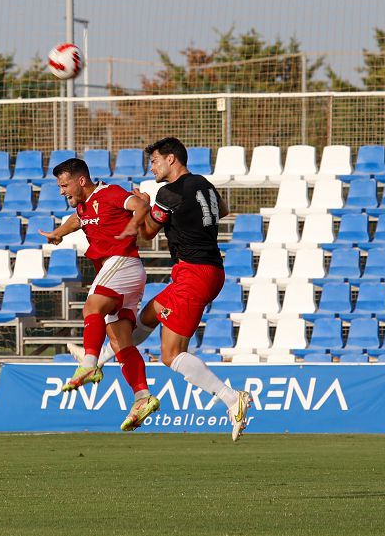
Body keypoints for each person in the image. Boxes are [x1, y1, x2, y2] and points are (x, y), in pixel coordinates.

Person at [123, 137, 253, 441]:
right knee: (148, 316)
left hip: (194, 272)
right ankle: (96, 362)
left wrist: (141, 206)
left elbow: (146, 234)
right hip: (205, 269)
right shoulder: (204, 183)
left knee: (171, 354)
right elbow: (222, 209)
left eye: (154, 160)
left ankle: (232, 399)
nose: (151, 166)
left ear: (171, 159)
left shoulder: (170, 192)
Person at [39, 157, 158, 431]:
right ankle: (142, 396)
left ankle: (90, 363)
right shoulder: (84, 205)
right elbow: (78, 220)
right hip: (124, 273)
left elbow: (140, 204)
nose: (61, 191)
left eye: (64, 184)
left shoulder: (110, 193)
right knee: (120, 343)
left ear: (81, 180)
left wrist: (134, 223)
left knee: (92, 307)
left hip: (122, 262)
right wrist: (59, 233)